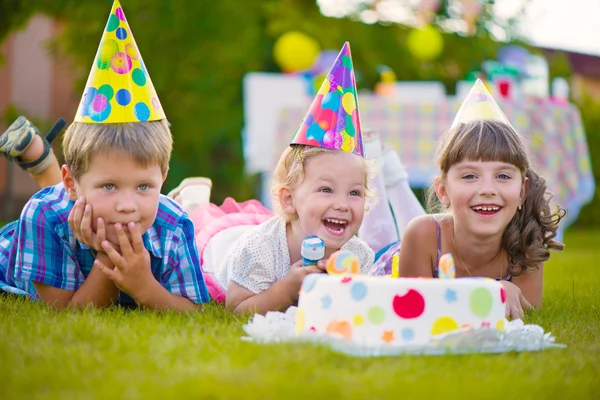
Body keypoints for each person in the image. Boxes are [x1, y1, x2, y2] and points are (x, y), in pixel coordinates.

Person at [0, 0, 209, 312]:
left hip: (75, 191)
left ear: (163, 177)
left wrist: (145, 287)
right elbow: (65, 315)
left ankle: (47, 164)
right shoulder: (44, 215)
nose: (127, 206)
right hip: (14, 249)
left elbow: (196, 313)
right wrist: (108, 256)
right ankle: (48, 171)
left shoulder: (174, 224)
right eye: (109, 186)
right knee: (54, 196)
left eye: (144, 187)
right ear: (71, 182)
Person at [176, 43, 376, 315]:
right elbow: (238, 309)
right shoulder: (259, 249)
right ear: (289, 199)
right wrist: (285, 289)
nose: (342, 204)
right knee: (195, 230)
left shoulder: (359, 255)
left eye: (354, 193)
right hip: (224, 248)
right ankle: (193, 202)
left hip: (278, 228)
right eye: (326, 189)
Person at [397, 80, 566, 319]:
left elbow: (528, 313)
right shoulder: (422, 235)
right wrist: (489, 292)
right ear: (443, 191)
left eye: (503, 175)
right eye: (469, 175)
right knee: (382, 237)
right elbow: (416, 309)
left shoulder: (526, 244)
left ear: (522, 192)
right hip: (391, 261)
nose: (488, 189)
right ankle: (393, 181)